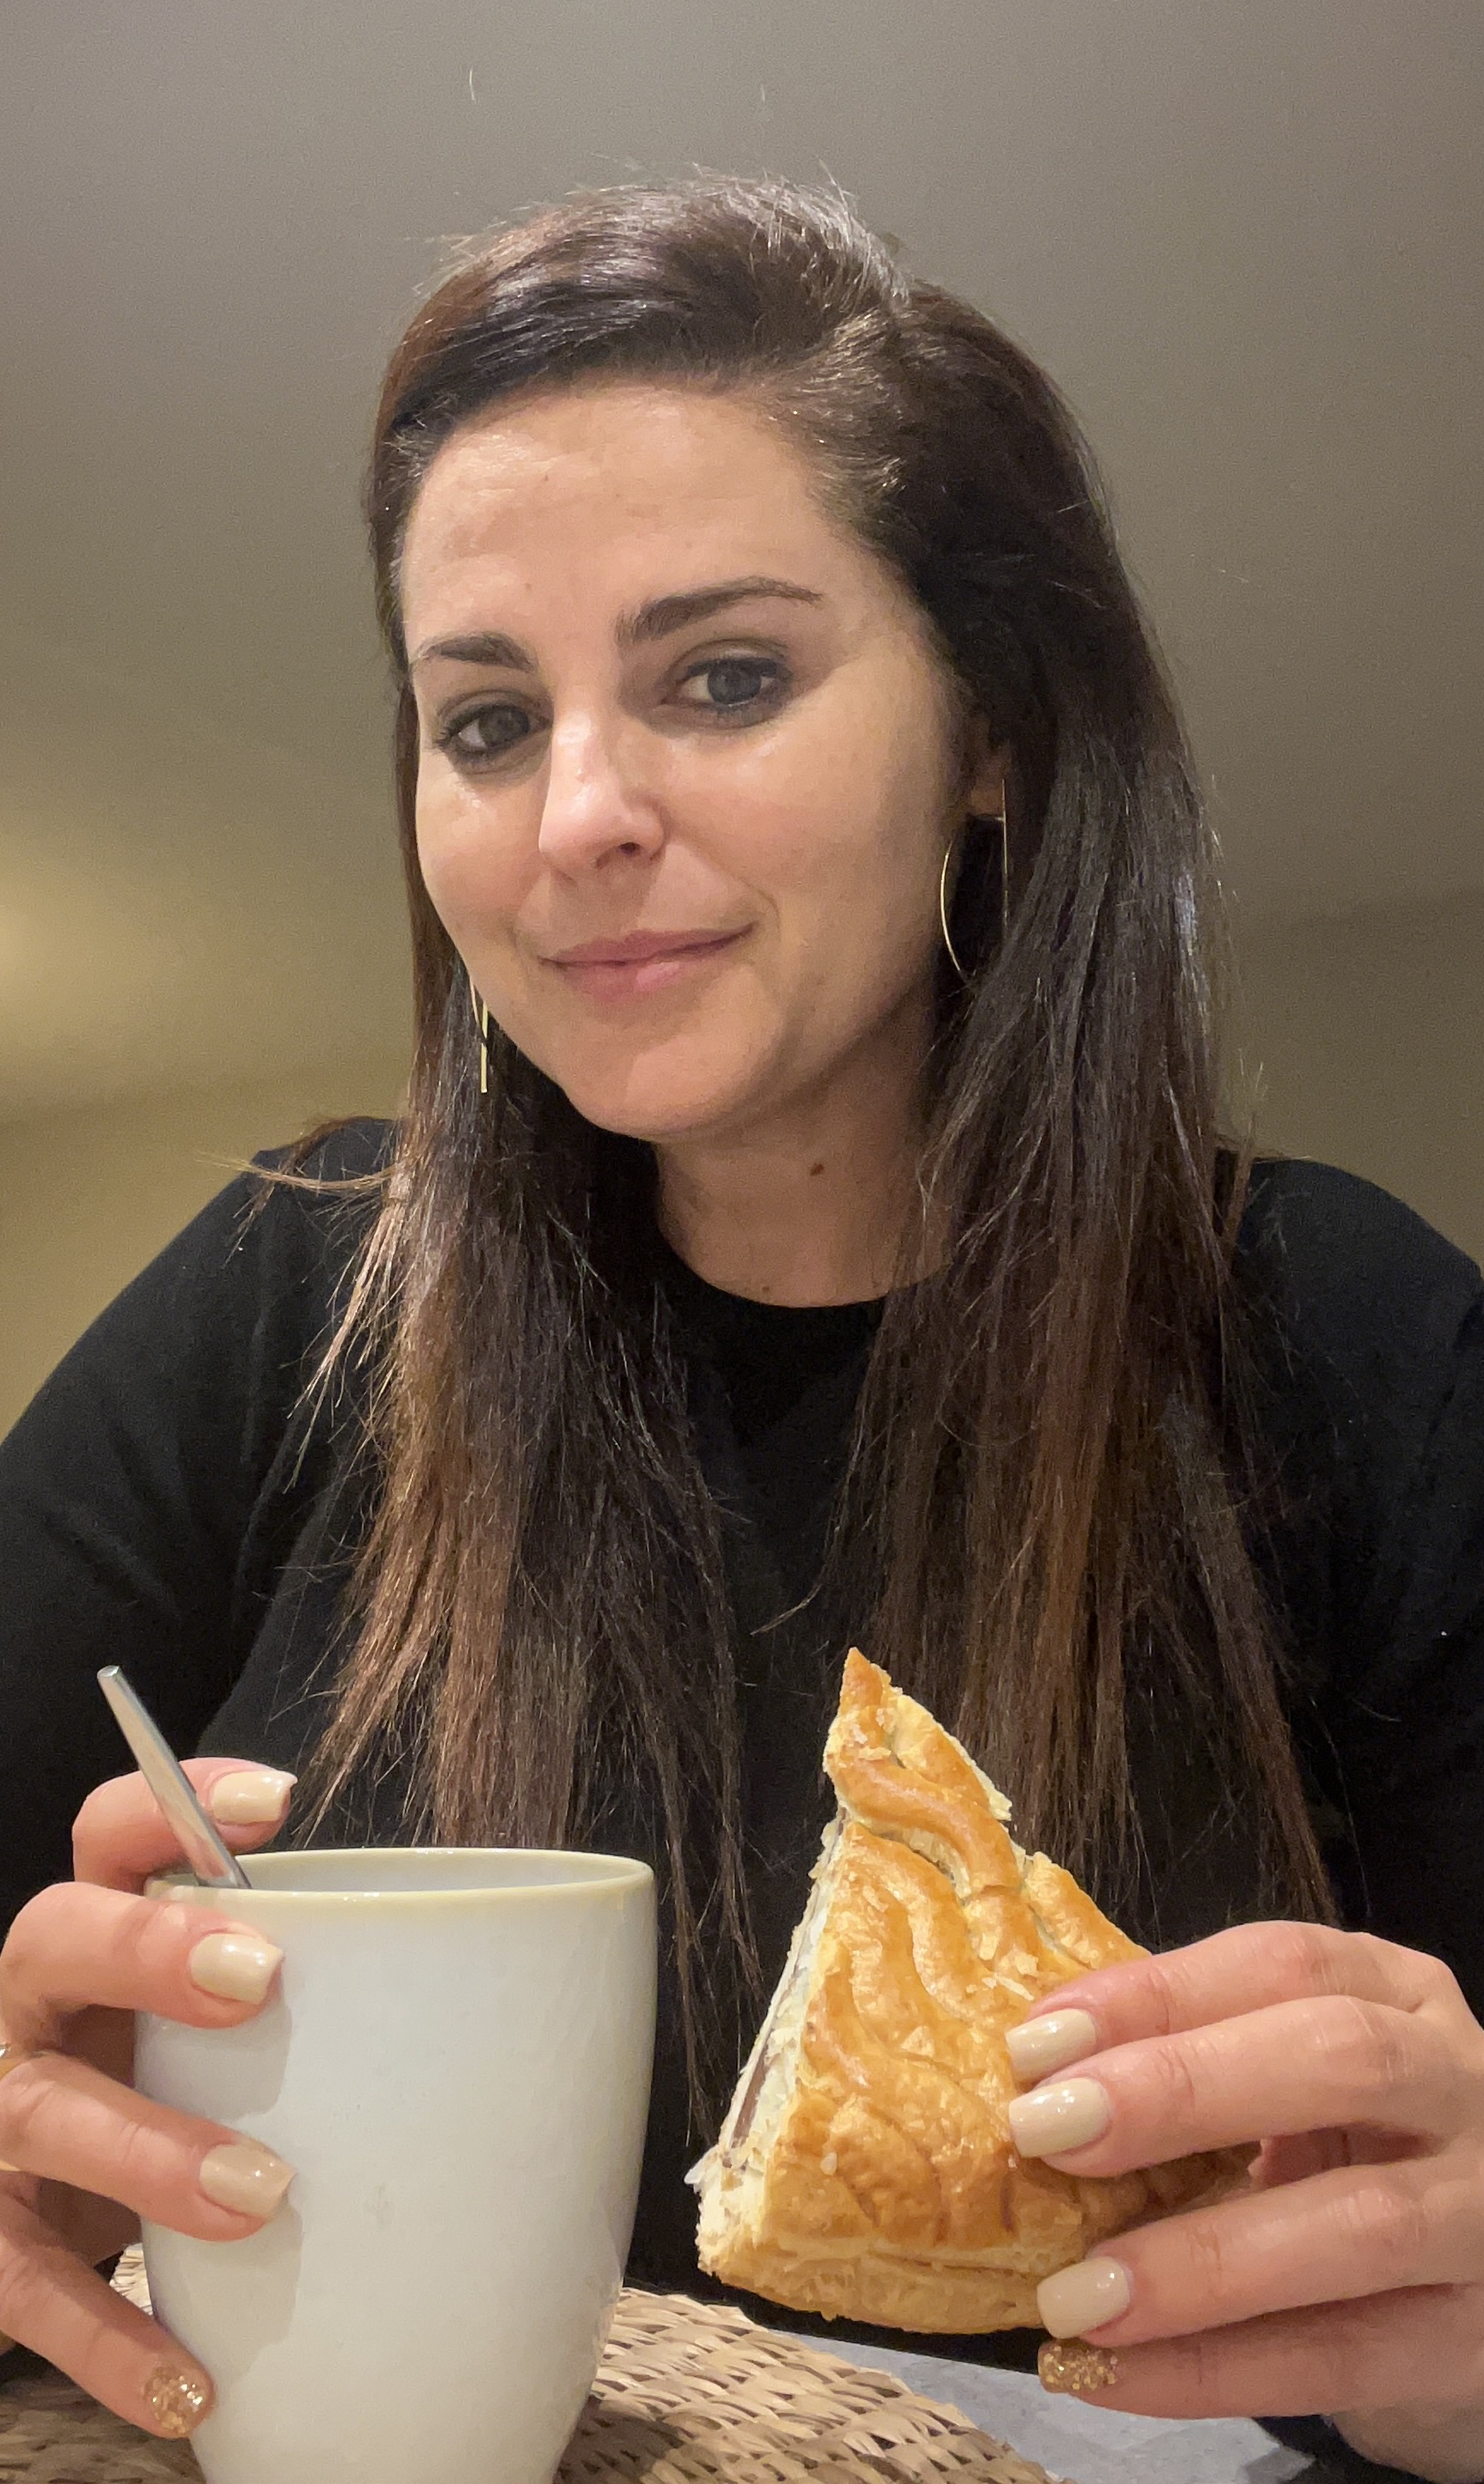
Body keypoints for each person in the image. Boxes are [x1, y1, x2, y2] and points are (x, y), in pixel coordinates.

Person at [2, 177, 1482, 2480]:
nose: (578, 814)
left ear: (989, 731)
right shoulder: (296, 1293)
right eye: (487, 718)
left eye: (723, 678)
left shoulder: (1351, 1343)